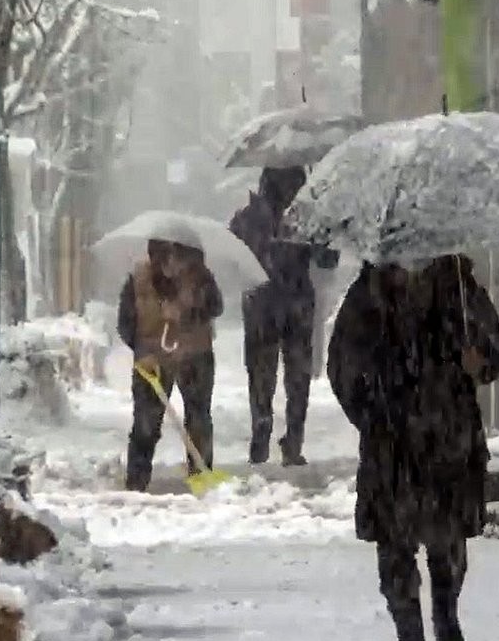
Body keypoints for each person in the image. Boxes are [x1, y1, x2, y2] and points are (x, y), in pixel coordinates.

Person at [327, 255, 499, 641]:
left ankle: (446, 618)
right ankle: (410, 639)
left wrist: (477, 357)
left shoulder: (460, 290)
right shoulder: (368, 297)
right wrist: (370, 412)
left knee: (446, 541)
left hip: (448, 436)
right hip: (390, 439)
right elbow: (342, 367)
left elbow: (495, 352)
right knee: (394, 545)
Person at [229, 166, 338, 467]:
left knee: (262, 377)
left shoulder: (247, 218)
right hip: (296, 304)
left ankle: (261, 437)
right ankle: (292, 441)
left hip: (261, 304)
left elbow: (232, 258)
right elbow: (328, 260)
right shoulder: (306, 218)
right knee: (297, 378)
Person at [117, 238, 224, 492]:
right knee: (146, 423)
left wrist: (188, 314)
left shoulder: (200, 277)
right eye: (164, 257)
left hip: (195, 357)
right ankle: (137, 482)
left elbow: (215, 307)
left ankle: (201, 477)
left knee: (198, 419)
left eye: (176, 256)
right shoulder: (138, 279)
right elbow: (125, 321)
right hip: (151, 361)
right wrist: (141, 351)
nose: (170, 264)